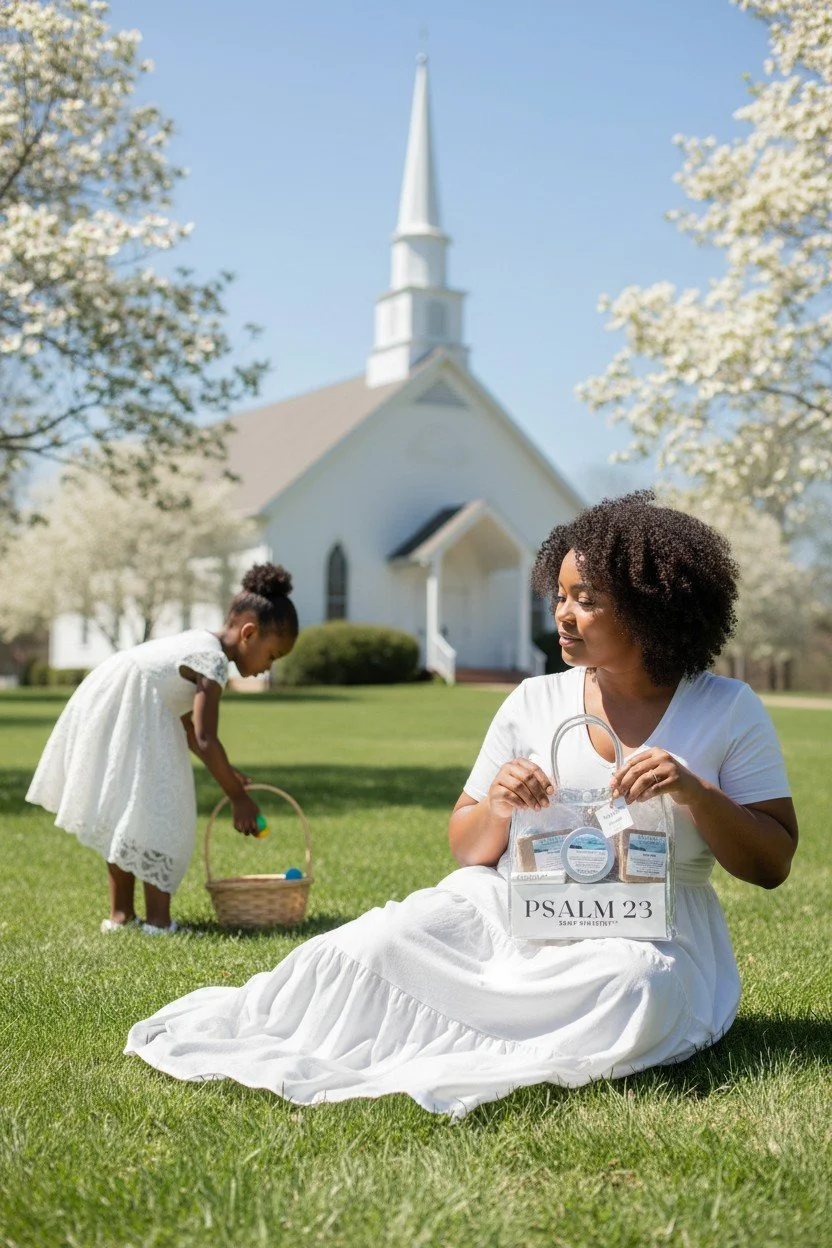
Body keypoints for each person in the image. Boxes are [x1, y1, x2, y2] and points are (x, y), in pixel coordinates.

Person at [125, 493, 796, 1115]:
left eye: (585, 599)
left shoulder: (726, 710)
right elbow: (467, 846)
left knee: (633, 986)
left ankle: (504, 1029)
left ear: (653, 607)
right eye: (559, 596)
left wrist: (693, 791)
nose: (561, 614)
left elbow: (771, 862)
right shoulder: (532, 701)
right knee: (379, 940)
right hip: (518, 905)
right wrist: (500, 803)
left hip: (645, 930)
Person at [27, 564, 298, 934]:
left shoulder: (199, 643)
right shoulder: (213, 661)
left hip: (113, 700)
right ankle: (157, 921)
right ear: (249, 634)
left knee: (129, 809)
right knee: (163, 809)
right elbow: (204, 736)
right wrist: (238, 798)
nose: (267, 668)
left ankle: (121, 916)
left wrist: (227, 772)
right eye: (271, 656)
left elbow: (189, 729)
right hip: (132, 708)